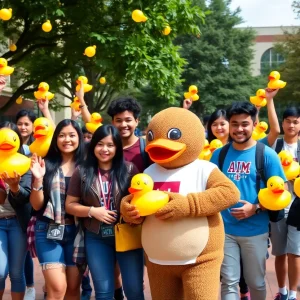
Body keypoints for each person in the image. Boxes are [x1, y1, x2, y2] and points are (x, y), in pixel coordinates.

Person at [210, 101, 286, 300]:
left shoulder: (266, 155)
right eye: (234, 124)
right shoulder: (219, 155)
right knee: (229, 282)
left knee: (257, 282)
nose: (239, 129)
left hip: (256, 231)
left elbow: (282, 191)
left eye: (245, 124)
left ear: (254, 124)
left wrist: (256, 207)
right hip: (225, 231)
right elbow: (210, 188)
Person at [65, 124, 144, 300]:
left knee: (134, 290)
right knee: (103, 292)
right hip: (96, 236)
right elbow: (70, 205)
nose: (105, 149)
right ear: (93, 146)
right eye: (100, 144)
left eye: (110, 145)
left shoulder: (130, 170)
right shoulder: (82, 171)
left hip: (127, 234)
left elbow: (140, 202)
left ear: (117, 147)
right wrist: (92, 211)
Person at [30, 119, 85, 300]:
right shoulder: (46, 164)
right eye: (61, 135)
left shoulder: (87, 167)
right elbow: (37, 206)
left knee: (73, 289)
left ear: (79, 138)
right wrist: (38, 180)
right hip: (48, 230)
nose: (66, 139)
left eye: (71, 135)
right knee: (57, 288)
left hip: (78, 232)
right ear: (55, 139)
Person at [270, 107, 300, 300]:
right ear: (282, 123)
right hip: (277, 206)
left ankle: (292, 293)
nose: (291, 125)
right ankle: (281, 292)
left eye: (296, 121)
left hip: (298, 207)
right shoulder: (275, 146)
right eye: (288, 121)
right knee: (280, 253)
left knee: (295, 253)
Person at [0, 123, 32, 300]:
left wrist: (14, 187)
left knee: (16, 272)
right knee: (0, 271)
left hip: (18, 223)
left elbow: (25, 196)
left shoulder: (24, 163)